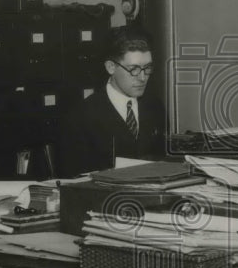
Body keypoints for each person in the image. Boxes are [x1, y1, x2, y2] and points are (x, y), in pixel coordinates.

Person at [60, 25, 166, 175]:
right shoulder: (82, 116)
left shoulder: (155, 107)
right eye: (133, 69)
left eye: (147, 68)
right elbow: (76, 180)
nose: (142, 77)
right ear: (111, 67)